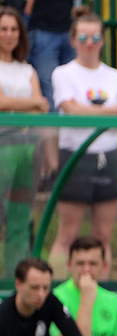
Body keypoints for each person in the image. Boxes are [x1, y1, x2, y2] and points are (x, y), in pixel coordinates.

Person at [48, 7, 117, 276]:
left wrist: (90, 111)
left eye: (95, 38)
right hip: (75, 155)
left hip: (109, 155)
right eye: (83, 37)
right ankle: (57, 293)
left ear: (103, 41)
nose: (89, 44)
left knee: (102, 236)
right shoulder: (63, 73)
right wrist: (110, 111)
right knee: (68, 233)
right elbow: (71, 110)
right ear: (73, 40)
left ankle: (102, 290)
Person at [0, 7, 46, 272]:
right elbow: (3, 102)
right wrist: (32, 103)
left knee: (20, 217)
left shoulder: (27, 69)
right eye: (4, 28)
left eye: (14, 29)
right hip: (2, 144)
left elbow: (42, 107)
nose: (9, 34)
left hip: (27, 146)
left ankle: (12, 278)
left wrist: (21, 105)